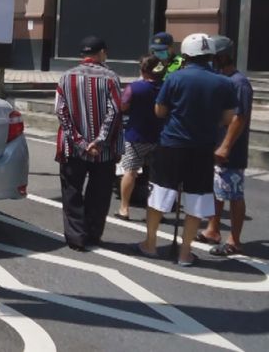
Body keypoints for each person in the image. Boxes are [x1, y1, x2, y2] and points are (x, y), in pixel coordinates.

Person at [136, 33, 236, 267]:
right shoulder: (225, 82)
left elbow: (160, 111)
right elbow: (227, 118)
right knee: (196, 201)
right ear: (211, 55)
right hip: (203, 147)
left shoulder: (176, 78)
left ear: (186, 55)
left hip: (172, 144)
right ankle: (185, 252)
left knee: (159, 195)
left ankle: (150, 244)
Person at [54, 36, 124, 251]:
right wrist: (99, 141)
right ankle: (93, 234)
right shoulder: (111, 78)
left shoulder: (66, 77)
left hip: (73, 149)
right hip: (104, 151)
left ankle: (76, 237)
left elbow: (60, 111)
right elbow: (115, 112)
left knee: (72, 191)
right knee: (99, 193)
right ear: (102, 52)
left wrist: (81, 142)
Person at [196, 36, 253, 256]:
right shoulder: (220, 79)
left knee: (234, 195)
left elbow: (240, 118)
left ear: (223, 56)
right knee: (216, 191)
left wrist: (226, 146)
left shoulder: (239, 83)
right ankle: (212, 230)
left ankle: (235, 240)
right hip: (214, 143)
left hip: (231, 149)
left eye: (214, 56)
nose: (211, 60)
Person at [115, 54, 165, 220]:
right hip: (160, 136)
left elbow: (122, 106)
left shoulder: (135, 88)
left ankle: (124, 208)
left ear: (143, 70)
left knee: (130, 171)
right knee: (157, 176)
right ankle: (157, 211)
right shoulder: (166, 87)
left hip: (136, 136)